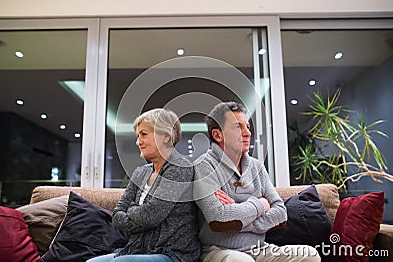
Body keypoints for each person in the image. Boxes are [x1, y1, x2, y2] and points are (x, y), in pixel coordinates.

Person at [193, 101, 320, 262]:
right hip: (219, 251)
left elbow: (281, 213)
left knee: (309, 254)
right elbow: (219, 219)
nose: (247, 133)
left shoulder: (257, 167)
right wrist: (260, 205)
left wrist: (238, 219)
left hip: (260, 249)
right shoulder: (203, 166)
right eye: (238, 127)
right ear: (218, 135)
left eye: (247, 126)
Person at [88, 108, 201, 262]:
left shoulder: (180, 168)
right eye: (138, 136)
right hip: (137, 250)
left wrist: (133, 209)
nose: (138, 142)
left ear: (166, 137)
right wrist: (140, 213)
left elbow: (152, 215)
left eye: (144, 134)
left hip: (173, 253)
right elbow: (117, 216)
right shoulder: (140, 172)